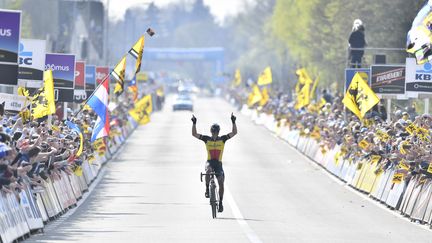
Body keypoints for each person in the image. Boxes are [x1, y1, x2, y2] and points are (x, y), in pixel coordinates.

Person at [191, 113, 237, 212]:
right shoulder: (206, 139)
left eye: (216, 132)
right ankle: (207, 189)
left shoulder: (223, 139)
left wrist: (233, 122)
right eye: (213, 132)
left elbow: (234, 133)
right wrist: (194, 123)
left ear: (218, 132)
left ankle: (220, 203)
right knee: (208, 171)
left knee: (221, 182)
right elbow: (194, 134)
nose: (214, 134)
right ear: (211, 132)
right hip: (209, 162)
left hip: (218, 164)